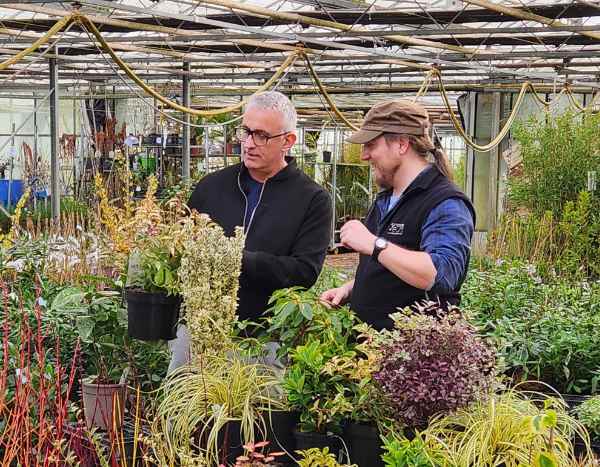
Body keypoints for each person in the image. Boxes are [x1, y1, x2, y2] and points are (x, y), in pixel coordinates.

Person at [168, 91, 332, 372]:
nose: (249, 144)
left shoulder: (312, 200)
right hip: (199, 333)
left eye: (261, 136)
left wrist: (238, 259)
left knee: (258, 414)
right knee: (181, 408)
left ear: (288, 141)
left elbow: (304, 272)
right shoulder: (212, 187)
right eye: (245, 132)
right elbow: (178, 245)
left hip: (264, 340)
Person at [320, 99, 475, 330]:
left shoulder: (445, 202)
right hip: (372, 351)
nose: (364, 155)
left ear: (402, 144)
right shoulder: (386, 198)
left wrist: (374, 244)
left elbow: (441, 274)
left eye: (371, 144)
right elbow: (390, 271)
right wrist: (352, 289)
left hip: (413, 357)